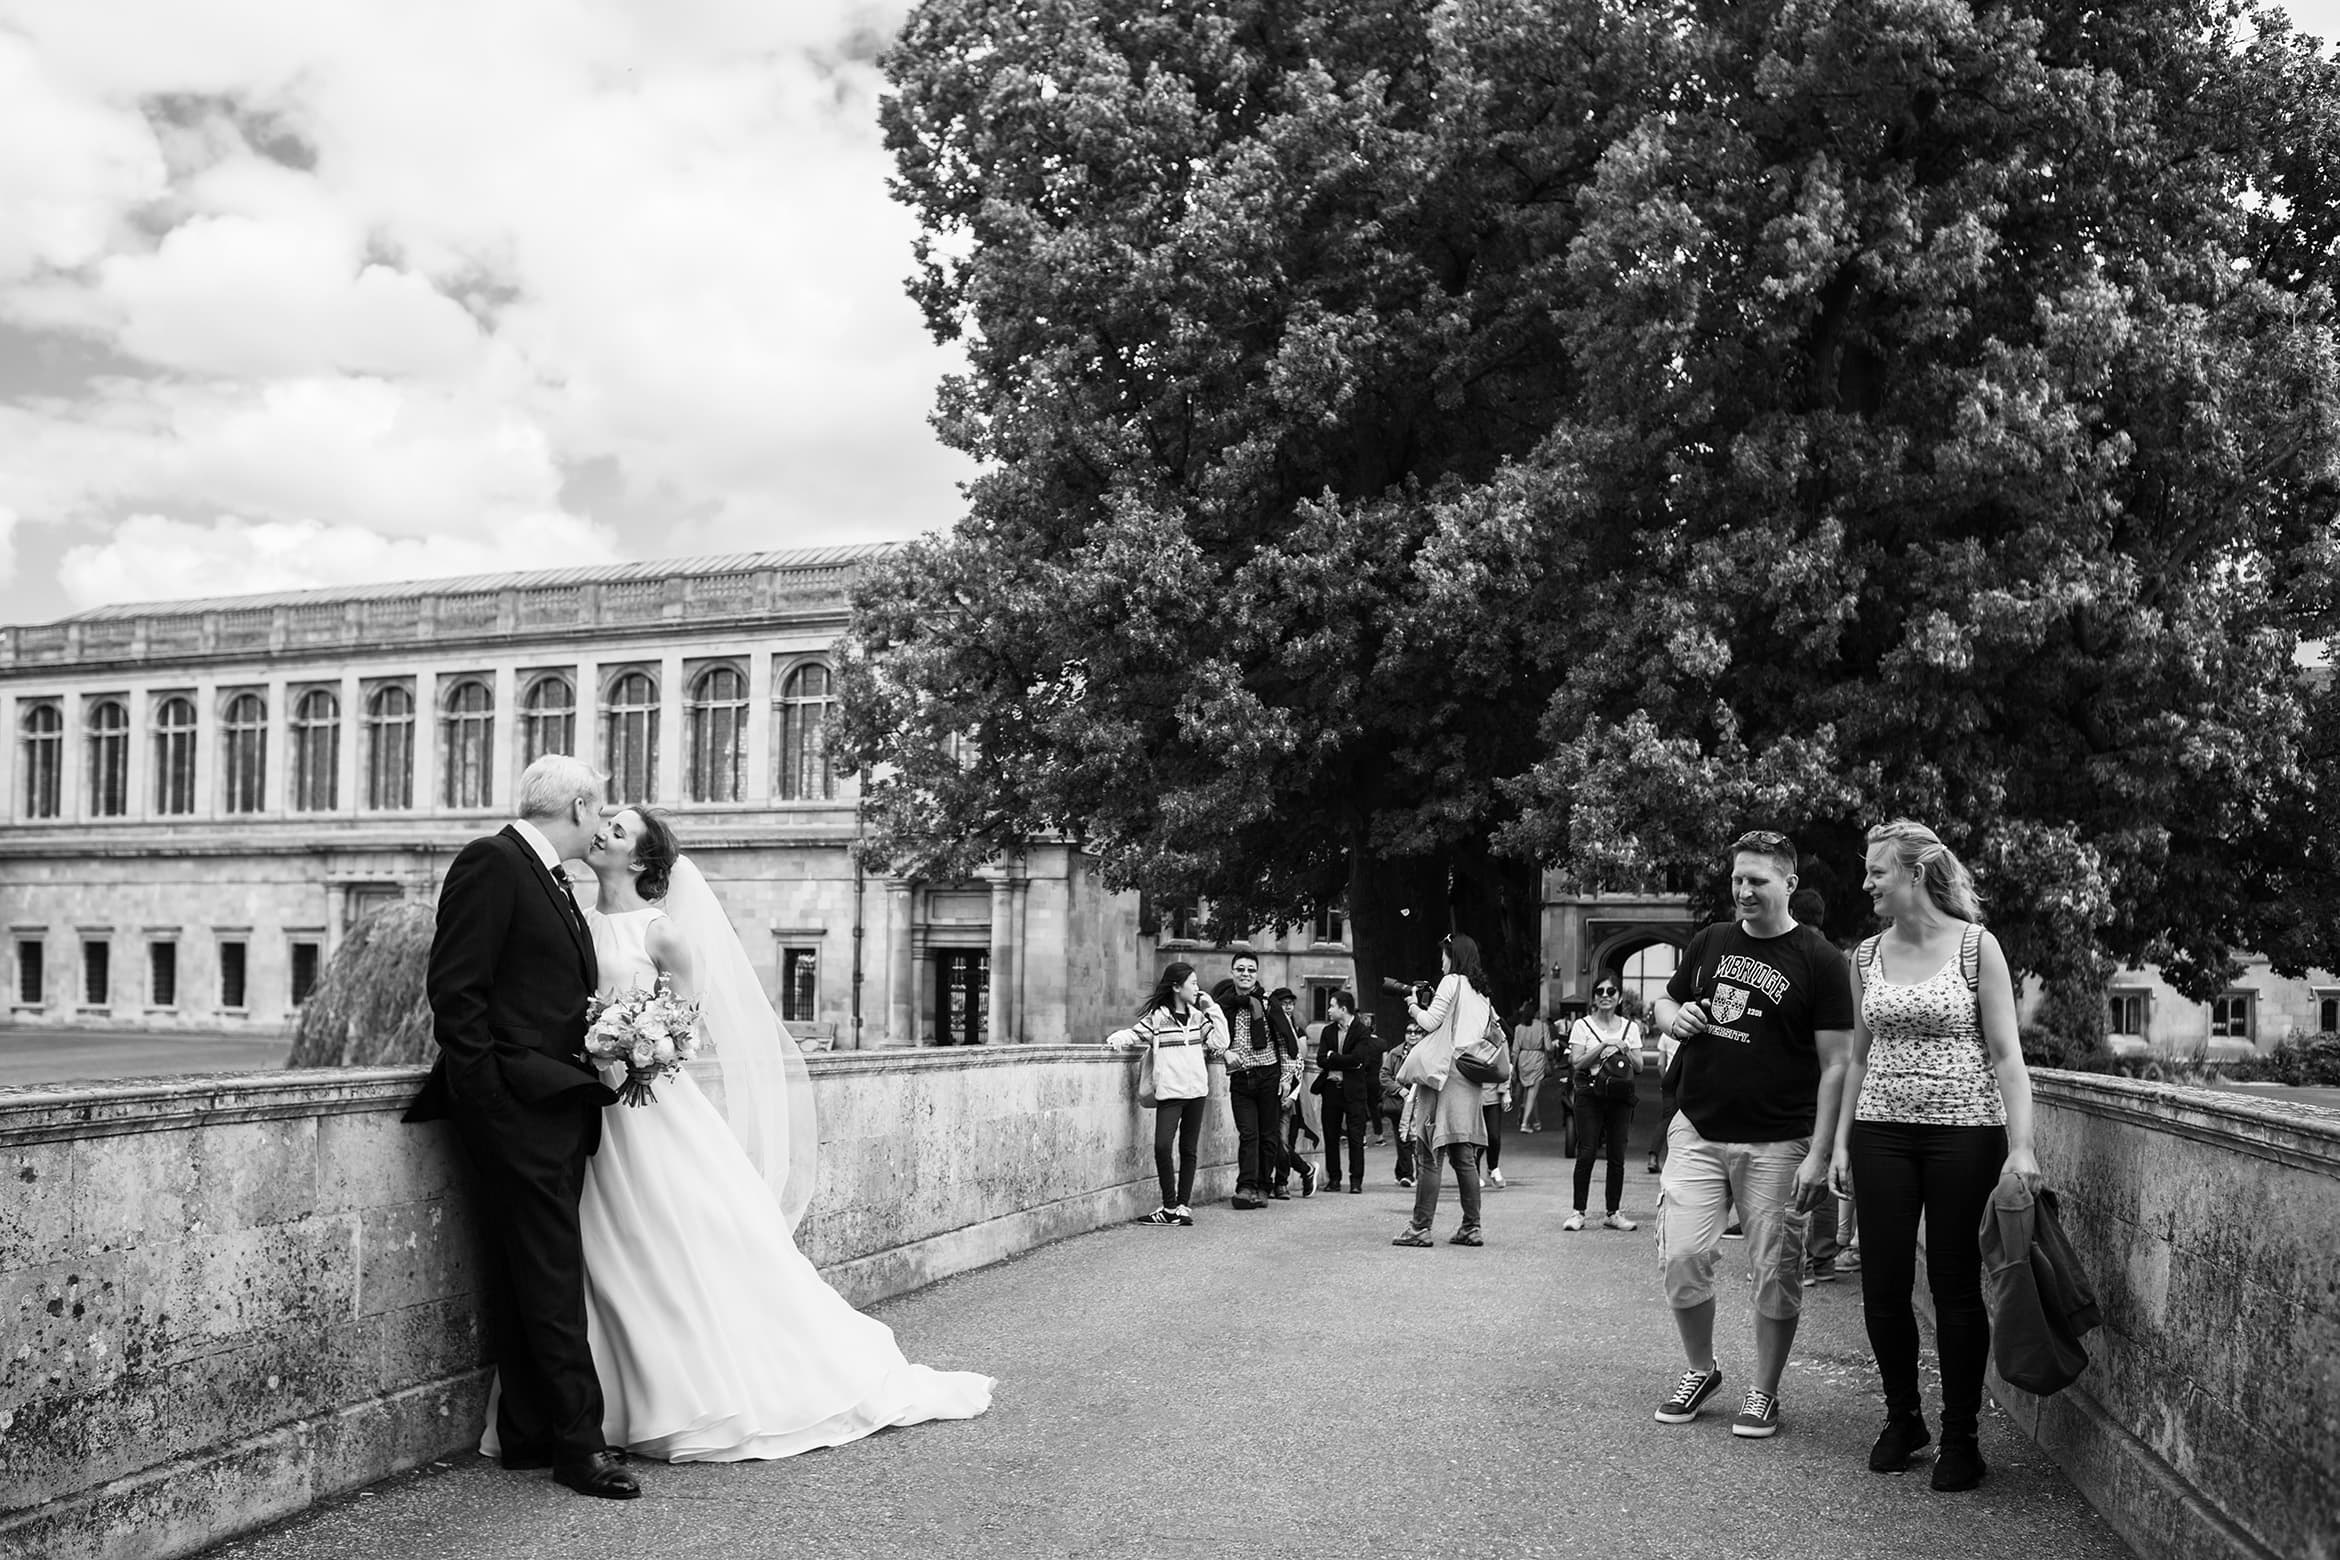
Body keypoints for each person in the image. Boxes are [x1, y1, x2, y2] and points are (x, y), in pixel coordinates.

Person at [522, 804, 996, 1462]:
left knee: (670, 1237)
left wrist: (635, 1047)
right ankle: (612, 1400)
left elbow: (685, 1026)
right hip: (587, 1107)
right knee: (604, 1249)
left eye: (619, 828)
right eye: (603, 819)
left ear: (639, 858)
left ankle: (701, 1395)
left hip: (646, 1107)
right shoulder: (575, 917)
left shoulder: (661, 933)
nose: (601, 828)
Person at [406, 755, 634, 1499]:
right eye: (599, 811)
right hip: (517, 1111)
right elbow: (455, 990)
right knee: (552, 1275)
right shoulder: (491, 862)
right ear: (575, 805)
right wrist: (492, 1106)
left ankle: (534, 1437)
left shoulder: (547, 876)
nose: (603, 825)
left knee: (525, 1274)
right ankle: (581, 1447)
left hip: (551, 1104)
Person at [1833, 819, 2039, 1492]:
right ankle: (1903, 1419)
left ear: (1914, 874)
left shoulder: (1978, 948)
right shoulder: (1864, 956)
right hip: (1880, 1131)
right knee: (1884, 1286)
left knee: (1953, 1286)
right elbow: (1858, 1057)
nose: (1866, 884)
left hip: (1964, 1132)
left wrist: (2022, 1147)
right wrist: (1839, 1143)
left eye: (1876, 872)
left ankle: (1961, 1437)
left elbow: (2008, 1058)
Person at [1650, 830, 1853, 1440]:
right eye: (1737, 879)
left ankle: (1763, 1391)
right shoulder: (1711, 940)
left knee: (1775, 1270)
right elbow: (1665, 1001)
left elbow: (1838, 1064)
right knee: (1682, 1256)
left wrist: (1820, 1153)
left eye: (1757, 881)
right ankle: (1700, 1368)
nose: (1743, 890)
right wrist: (1672, 1016)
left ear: (1788, 884)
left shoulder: (1820, 960)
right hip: (1699, 1128)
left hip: (1778, 1142)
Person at [1391, 934, 1496, 1247]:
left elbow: (1430, 1021)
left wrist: (1411, 1004)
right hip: (1470, 1076)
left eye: (1444, 955)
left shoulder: (1452, 981)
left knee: (1428, 1153)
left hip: (1443, 1075)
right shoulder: (1482, 993)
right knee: (1464, 1156)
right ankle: (1471, 1227)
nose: (1441, 961)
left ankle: (1420, 1228)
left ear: (1455, 956)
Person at [1114, 961, 1231, 1225]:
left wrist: (1212, 1007)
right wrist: (1117, 1039)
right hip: (1170, 1092)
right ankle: (1169, 1207)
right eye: (1193, 983)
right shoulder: (1158, 1018)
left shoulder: (1199, 1017)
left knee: (1188, 1150)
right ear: (1176, 987)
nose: (1197, 987)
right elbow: (1134, 1034)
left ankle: (1182, 1207)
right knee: (1163, 1146)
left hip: (1197, 1092)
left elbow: (1221, 1043)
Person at [1215, 954, 1313, 1205]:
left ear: (1256, 974)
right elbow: (1209, 1037)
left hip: (1269, 1076)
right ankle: (1245, 1187)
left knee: (1268, 1135)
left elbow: (1286, 1041)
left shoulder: (1269, 1003)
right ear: (1232, 972)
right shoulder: (1223, 1005)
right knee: (1248, 1134)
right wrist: (1224, 1053)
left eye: (1250, 969)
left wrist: (1287, 1078)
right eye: (1240, 969)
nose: (1245, 974)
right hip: (1241, 1078)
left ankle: (1262, 1186)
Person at [1562, 979, 1642, 1232]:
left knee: (1617, 1154)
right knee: (1586, 1152)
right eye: (1599, 992)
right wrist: (1603, 1046)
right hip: (1590, 1094)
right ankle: (1578, 1212)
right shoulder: (1582, 1026)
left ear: (1619, 997)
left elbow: (1639, 1066)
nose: (1605, 996)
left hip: (1620, 1095)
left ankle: (1613, 1212)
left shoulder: (1630, 1028)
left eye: (1611, 991)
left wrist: (1624, 1047)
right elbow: (1577, 1062)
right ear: (1594, 997)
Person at [1315, 990, 1376, 1193]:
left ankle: (1356, 1181)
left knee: (1356, 1137)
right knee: (1331, 1136)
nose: (1329, 1010)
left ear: (1343, 1008)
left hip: (1354, 1091)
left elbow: (1359, 1059)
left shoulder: (1361, 1031)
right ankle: (1334, 1179)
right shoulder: (1327, 1031)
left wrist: (1335, 1058)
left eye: (1332, 1006)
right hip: (1331, 1089)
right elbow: (1321, 1059)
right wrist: (1342, 1060)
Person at [1266, 987, 1319, 1198]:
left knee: (1283, 1140)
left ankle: (1282, 1183)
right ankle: (1300, 1172)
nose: (1287, 1006)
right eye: (1283, 1002)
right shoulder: (1269, 1025)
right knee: (1271, 1140)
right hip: (1268, 1089)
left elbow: (1299, 1063)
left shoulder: (1298, 1030)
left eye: (1290, 1002)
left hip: (1289, 1092)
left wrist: (1292, 1095)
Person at [1511, 1002, 1551, 1132]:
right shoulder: (1542, 1026)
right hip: (1537, 1057)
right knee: (1532, 1091)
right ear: (1535, 1013)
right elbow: (1549, 1047)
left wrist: (1513, 1067)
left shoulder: (1518, 1028)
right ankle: (1524, 1123)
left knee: (1529, 1092)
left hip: (1523, 1059)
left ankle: (1537, 1122)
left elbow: (1515, 1049)